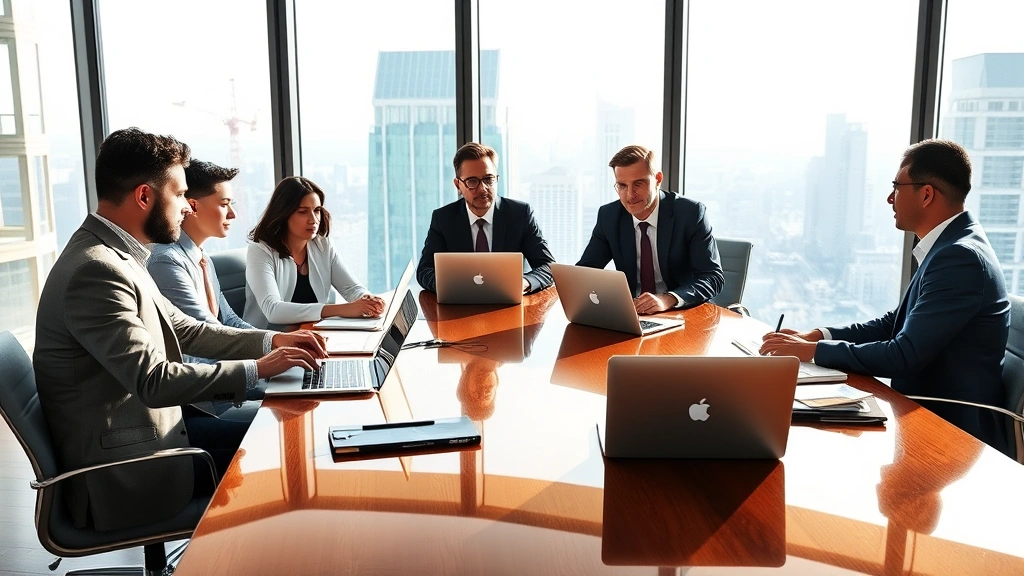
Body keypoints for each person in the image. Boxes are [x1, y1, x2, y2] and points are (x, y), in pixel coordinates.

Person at [33, 127, 328, 532]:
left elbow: (186, 330)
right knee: (287, 444)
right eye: (178, 195)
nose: (186, 209)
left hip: (156, 437)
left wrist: (273, 340)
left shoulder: (121, 254)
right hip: (127, 471)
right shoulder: (96, 270)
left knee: (292, 430)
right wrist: (259, 369)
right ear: (144, 196)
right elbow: (153, 380)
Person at [761, 139, 1010, 455]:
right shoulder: (953, 245)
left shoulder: (959, 257)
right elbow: (895, 323)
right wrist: (820, 336)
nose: (890, 198)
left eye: (897, 187)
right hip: (924, 411)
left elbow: (904, 355)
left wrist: (814, 351)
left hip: (951, 431)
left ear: (926, 194)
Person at [577, 145, 723, 314]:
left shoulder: (690, 214)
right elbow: (585, 272)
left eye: (638, 184)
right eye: (622, 186)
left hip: (681, 313)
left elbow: (712, 278)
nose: (630, 195)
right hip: (633, 313)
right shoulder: (609, 216)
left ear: (658, 179)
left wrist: (668, 299)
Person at [244, 176, 385, 330]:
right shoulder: (259, 251)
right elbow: (273, 310)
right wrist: (344, 309)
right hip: (268, 342)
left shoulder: (323, 245)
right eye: (302, 212)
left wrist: (367, 300)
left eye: (317, 210)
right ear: (284, 214)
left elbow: (351, 289)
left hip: (313, 335)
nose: (313, 220)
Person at [417, 142, 555, 294]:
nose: (483, 188)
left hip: (508, 306)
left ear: (497, 179)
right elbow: (424, 271)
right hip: (460, 306)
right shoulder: (443, 219)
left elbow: (548, 267)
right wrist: (454, 285)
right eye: (472, 181)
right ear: (458, 185)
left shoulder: (520, 214)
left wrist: (523, 283)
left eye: (488, 179)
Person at [148, 159, 251, 361]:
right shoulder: (165, 261)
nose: (233, 214)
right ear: (192, 206)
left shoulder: (203, 259)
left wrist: (281, 341)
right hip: (201, 379)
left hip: (222, 367)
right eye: (224, 204)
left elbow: (229, 320)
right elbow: (206, 333)